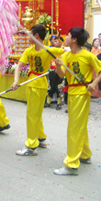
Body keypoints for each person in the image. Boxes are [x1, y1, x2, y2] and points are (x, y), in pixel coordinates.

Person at [52, 27, 101, 175]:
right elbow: (62, 75)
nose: (66, 38)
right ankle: (85, 154)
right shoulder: (67, 55)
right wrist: (58, 65)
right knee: (78, 125)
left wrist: (94, 84)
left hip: (82, 94)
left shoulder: (88, 56)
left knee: (74, 128)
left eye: (68, 35)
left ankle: (71, 164)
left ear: (74, 39)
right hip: (72, 92)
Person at [11, 24, 65, 156]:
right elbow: (19, 66)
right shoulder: (29, 51)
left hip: (38, 85)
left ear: (36, 36)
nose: (27, 36)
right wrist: (16, 81)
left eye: (30, 33)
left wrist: (61, 58)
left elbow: (68, 53)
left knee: (32, 115)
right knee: (36, 113)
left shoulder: (49, 50)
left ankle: (31, 146)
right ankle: (41, 138)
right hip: (33, 82)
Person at [45, 36, 65, 110]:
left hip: (60, 72)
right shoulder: (52, 50)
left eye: (56, 41)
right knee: (51, 86)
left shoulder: (64, 51)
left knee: (59, 87)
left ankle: (59, 103)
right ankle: (48, 102)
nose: (54, 42)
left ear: (60, 42)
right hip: (52, 71)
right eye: (54, 41)